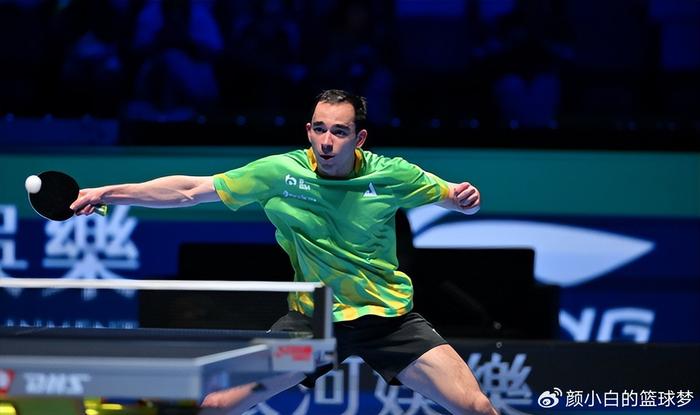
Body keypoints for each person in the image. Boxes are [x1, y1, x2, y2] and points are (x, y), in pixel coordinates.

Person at [70, 89, 497, 415]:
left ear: (359, 138)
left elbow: (449, 194)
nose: (327, 141)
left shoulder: (390, 174)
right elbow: (190, 190)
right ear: (308, 130)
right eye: (319, 129)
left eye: (339, 132)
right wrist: (107, 192)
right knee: (218, 405)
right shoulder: (280, 172)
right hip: (312, 322)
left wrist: (465, 199)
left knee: (476, 407)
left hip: (388, 320)